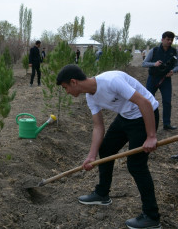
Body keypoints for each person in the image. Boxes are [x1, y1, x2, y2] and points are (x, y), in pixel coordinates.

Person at [56, 64, 161, 229]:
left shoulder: (111, 81)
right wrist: (91, 156)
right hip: (126, 116)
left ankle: (151, 216)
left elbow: (145, 102)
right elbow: (98, 127)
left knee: (136, 165)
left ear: (73, 82)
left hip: (144, 115)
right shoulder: (91, 97)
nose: (67, 92)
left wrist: (151, 136)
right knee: (105, 149)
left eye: (65, 88)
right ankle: (102, 193)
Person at [142, 31, 178, 131]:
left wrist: (173, 71)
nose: (170, 41)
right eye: (168, 39)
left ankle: (167, 124)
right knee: (149, 102)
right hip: (153, 79)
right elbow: (144, 64)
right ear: (162, 39)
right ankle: (148, 124)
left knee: (167, 102)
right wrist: (154, 64)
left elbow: (177, 66)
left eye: (171, 40)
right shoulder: (154, 50)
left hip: (166, 80)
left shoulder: (174, 52)